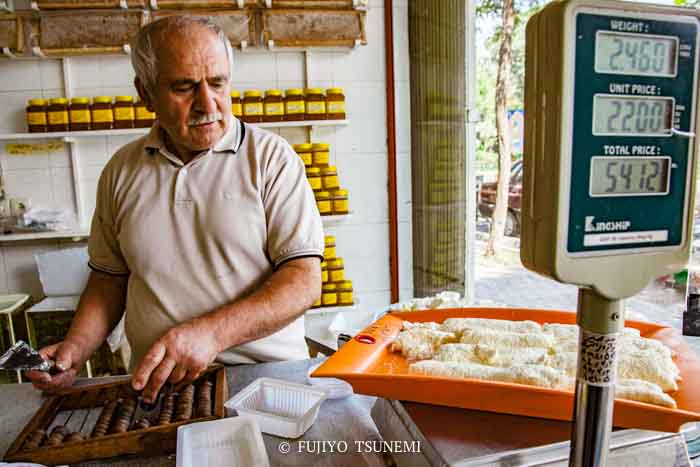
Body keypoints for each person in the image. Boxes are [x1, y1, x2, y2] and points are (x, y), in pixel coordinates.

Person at [26, 16, 323, 403]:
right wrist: (75, 350)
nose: (207, 103)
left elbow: (303, 280)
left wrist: (212, 333)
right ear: (145, 93)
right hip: (159, 385)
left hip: (266, 379)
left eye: (217, 83)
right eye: (184, 87)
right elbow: (109, 280)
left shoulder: (271, 160)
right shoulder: (121, 171)